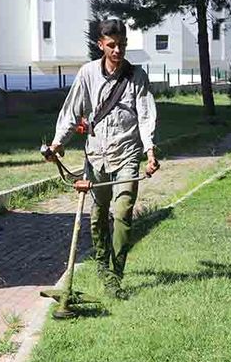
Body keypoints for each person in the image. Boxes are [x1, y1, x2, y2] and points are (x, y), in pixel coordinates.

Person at [47, 19, 159, 300]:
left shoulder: (137, 76)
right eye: (112, 45)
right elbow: (72, 112)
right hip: (96, 156)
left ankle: (115, 274)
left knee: (122, 212)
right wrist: (58, 143)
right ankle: (101, 262)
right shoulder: (87, 74)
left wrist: (150, 152)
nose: (118, 50)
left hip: (127, 155)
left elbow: (146, 116)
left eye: (122, 45)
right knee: (97, 217)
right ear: (101, 45)